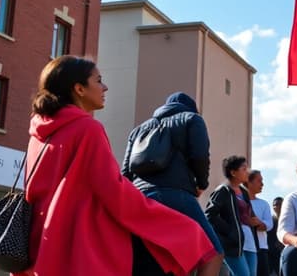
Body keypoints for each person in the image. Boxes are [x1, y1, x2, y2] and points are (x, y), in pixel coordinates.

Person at [20, 56, 216, 275]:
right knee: (203, 243)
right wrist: (170, 223)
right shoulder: (87, 129)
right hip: (78, 240)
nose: (105, 87)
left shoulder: (39, 132)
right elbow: (114, 191)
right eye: (98, 80)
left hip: (42, 238)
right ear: (79, 89)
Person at [122, 92, 223, 275]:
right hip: (176, 195)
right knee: (213, 252)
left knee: (145, 259)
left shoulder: (138, 130)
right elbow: (200, 156)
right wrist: (201, 183)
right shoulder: (192, 119)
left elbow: (126, 172)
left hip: (139, 200)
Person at [206, 155, 262, 276]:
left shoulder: (244, 192)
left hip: (249, 242)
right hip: (233, 244)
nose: (247, 171)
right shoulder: (223, 190)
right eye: (243, 168)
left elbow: (245, 215)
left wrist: (252, 221)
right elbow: (210, 215)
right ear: (233, 172)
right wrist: (229, 231)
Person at [247, 170, 274, 276]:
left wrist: (258, 223)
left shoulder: (263, 204)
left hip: (260, 248)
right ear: (249, 182)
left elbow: (269, 225)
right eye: (259, 181)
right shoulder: (236, 202)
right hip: (242, 248)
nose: (262, 184)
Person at [267, 197, 284, 276]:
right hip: (271, 255)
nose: (276, 206)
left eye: (278, 204)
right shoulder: (269, 220)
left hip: (285, 253)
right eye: (274, 205)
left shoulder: (289, 219)